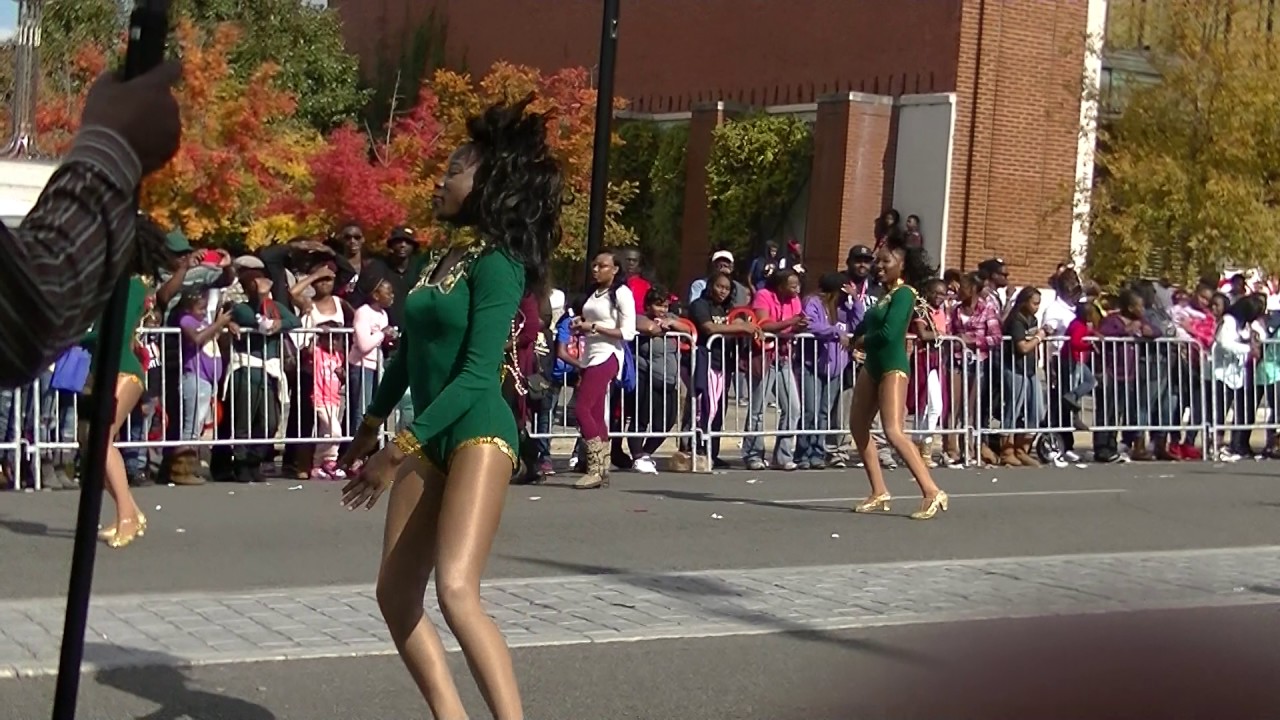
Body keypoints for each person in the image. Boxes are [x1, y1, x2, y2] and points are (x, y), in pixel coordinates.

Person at [338, 96, 563, 719]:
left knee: (457, 591)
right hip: (425, 433)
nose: (442, 178)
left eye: (456, 170)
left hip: (477, 431)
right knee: (394, 594)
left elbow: (474, 376)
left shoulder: (500, 264)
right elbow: (409, 355)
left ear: (489, 183)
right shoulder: (442, 257)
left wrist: (394, 453)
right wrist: (370, 424)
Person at [0, 61, 183, 387]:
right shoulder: (129, 286)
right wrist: (110, 144)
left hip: (118, 369)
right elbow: (29, 311)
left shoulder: (135, 288)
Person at [79, 230, 178, 548]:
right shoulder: (115, 285)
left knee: (100, 441)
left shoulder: (132, 285)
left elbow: (116, 333)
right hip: (107, 369)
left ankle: (127, 516)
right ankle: (130, 511)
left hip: (122, 370)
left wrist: (75, 337)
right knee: (93, 445)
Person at [850, 235, 948, 520]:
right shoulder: (885, 296)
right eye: (877, 261)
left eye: (885, 261)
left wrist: (862, 341)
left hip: (892, 365)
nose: (878, 266)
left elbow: (889, 334)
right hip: (873, 365)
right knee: (858, 426)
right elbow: (866, 326)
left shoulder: (905, 294)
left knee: (893, 430)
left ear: (902, 265)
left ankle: (931, 490)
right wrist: (854, 338)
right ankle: (879, 491)